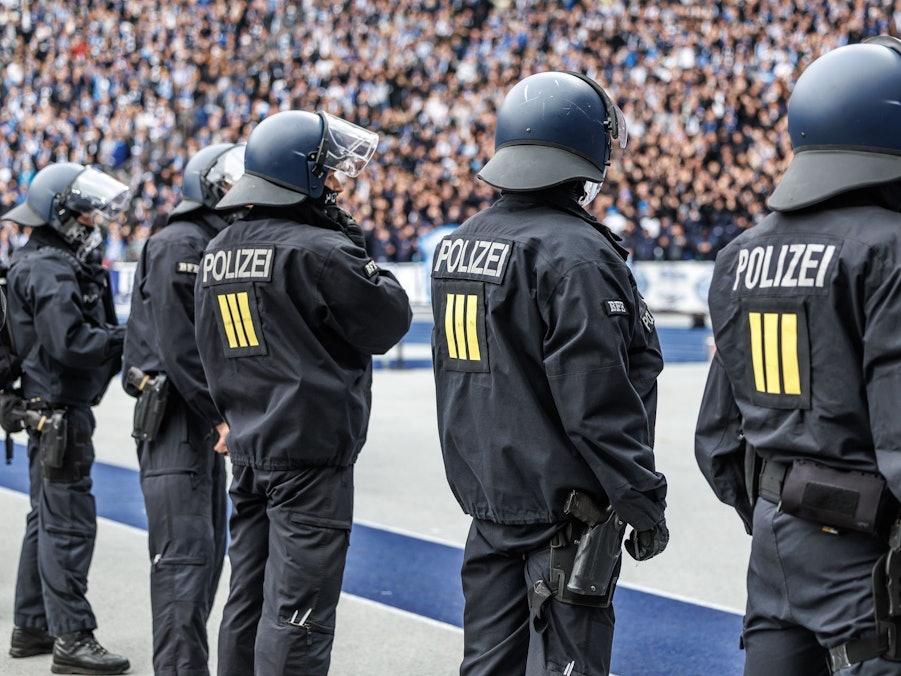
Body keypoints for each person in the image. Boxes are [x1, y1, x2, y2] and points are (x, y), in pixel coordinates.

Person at [430, 71, 669, 675]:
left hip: (488, 507)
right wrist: (641, 499)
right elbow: (596, 403)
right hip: (564, 519)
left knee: (486, 666)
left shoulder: (460, 242)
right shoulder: (576, 254)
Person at [695, 36, 901, 675]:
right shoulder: (889, 249)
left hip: (774, 541)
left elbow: (717, 441)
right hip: (868, 555)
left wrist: (778, 511)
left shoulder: (741, 254)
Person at [193, 109, 413, 675]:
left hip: (249, 446)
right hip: (310, 458)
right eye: (330, 172)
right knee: (298, 616)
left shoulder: (217, 250)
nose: (338, 183)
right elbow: (388, 320)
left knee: (247, 597)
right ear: (303, 176)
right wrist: (345, 231)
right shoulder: (319, 250)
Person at [122, 142, 246, 675]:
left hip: (191, 424)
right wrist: (220, 414)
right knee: (183, 567)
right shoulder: (181, 242)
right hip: (178, 421)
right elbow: (181, 348)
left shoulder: (205, 240)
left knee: (203, 562)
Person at [3, 162, 131, 674]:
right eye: (84, 209)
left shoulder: (37, 260)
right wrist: (135, 334)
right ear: (60, 212)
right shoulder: (50, 267)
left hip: (47, 413)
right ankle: (72, 639)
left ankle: (32, 626)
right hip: (58, 417)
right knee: (69, 527)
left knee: (46, 521)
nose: (94, 218)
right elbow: (72, 344)